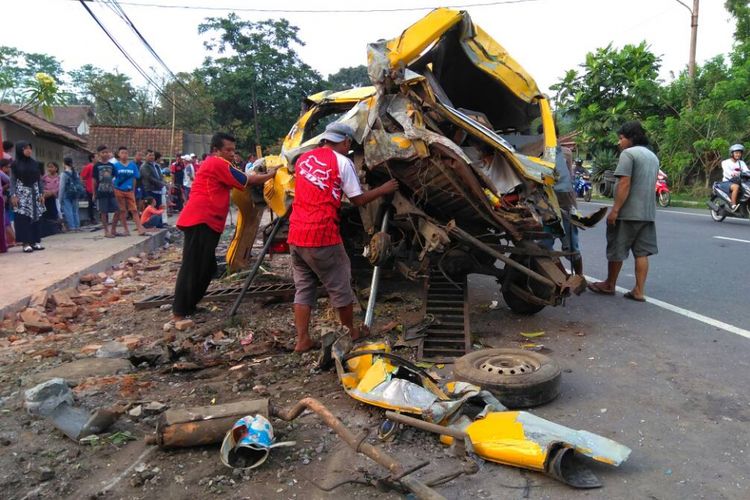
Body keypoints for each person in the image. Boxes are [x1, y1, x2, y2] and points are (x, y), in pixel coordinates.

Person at [289, 122, 399, 352]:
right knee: (340, 285)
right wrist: (384, 189)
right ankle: (350, 331)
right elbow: (357, 199)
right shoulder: (343, 162)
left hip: (296, 234)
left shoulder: (304, 159)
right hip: (322, 234)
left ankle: (302, 340)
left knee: (304, 288)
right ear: (346, 142)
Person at [166, 132, 277, 329]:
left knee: (206, 267)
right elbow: (246, 180)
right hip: (201, 219)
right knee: (192, 266)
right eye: (228, 150)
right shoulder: (217, 163)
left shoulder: (217, 164)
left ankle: (189, 305)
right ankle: (179, 312)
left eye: (233, 150)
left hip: (207, 220)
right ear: (216, 150)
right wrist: (271, 174)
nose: (232, 154)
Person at [588, 121, 659, 302]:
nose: (619, 143)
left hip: (628, 212)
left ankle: (610, 284)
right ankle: (639, 290)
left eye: (621, 138)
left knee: (616, 248)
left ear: (631, 138)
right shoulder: (652, 156)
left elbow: (624, 183)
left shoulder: (628, 154)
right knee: (641, 252)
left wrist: (615, 210)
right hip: (648, 213)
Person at [540, 145, 583, 276]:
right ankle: (563, 276)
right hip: (549, 205)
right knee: (546, 245)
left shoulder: (563, 153)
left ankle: (579, 277)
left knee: (570, 246)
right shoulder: (546, 152)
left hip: (564, 205)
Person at [10, 141, 45, 253]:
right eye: (25, 148)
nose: (29, 150)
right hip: (21, 193)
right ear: (20, 150)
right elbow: (13, 180)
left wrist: (41, 193)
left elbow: (39, 179)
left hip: (34, 193)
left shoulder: (35, 163)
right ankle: (25, 243)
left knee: (35, 217)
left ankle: (35, 241)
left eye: (30, 148)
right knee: (23, 218)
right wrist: (13, 195)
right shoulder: (15, 165)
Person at [112, 146, 146, 236]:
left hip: (129, 190)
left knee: (134, 209)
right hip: (118, 189)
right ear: (119, 154)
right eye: (122, 153)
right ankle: (126, 229)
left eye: (126, 153)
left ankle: (139, 228)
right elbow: (112, 179)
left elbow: (135, 178)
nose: (124, 155)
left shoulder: (132, 165)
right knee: (122, 210)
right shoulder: (115, 166)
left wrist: (133, 190)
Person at [93, 145, 119, 238]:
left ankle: (113, 229)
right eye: (103, 152)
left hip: (111, 190)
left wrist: (115, 188)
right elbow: (94, 181)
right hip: (101, 191)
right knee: (103, 212)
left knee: (117, 210)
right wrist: (94, 193)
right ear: (99, 154)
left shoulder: (112, 166)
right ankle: (106, 231)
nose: (105, 154)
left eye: (107, 152)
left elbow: (115, 177)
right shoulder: (97, 166)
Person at [720, 144, 749, 211]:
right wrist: (733, 174)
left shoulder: (741, 163)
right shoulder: (725, 162)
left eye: (739, 153)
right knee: (736, 187)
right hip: (727, 181)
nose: (738, 154)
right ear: (732, 153)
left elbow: (746, 171)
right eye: (736, 153)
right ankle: (733, 205)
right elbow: (727, 171)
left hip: (739, 181)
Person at [59, 157, 83, 232]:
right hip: (75, 194)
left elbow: (62, 187)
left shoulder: (64, 174)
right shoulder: (75, 173)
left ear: (64, 163)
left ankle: (72, 227)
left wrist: (60, 198)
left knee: (68, 211)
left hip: (67, 194)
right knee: (75, 211)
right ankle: (77, 226)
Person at [1, 159, 15, 247]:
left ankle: (10, 240)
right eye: (7, 167)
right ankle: (12, 240)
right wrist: (5, 187)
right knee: (5, 221)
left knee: (6, 221)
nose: (9, 169)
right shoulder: (2, 175)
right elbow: (9, 183)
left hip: (5, 200)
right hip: (3, 198)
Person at [80, 153, 96, 224]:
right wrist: (85, 184)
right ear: (92, 158)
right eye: (96, 157)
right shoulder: (89, 167)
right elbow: (82, 177)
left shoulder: (97, 166)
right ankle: (91, 218)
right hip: (90, 188)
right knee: (91, 204)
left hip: (96, 187)